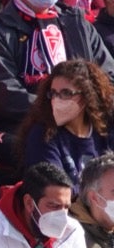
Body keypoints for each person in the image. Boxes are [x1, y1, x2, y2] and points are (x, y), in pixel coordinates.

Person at [0, 0, 114, 135]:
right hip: (35, 126)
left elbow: (109, 75)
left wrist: (86, 106)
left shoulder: (76, 24)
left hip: (88, 118)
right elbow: (5, 97)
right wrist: (61, 110)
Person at [20, 59, 114, 187]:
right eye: (53, 93)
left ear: (86, 96)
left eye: (66, 93)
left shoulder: (106, 128)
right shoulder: (43, 134)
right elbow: (55, 191)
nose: (57, 100)